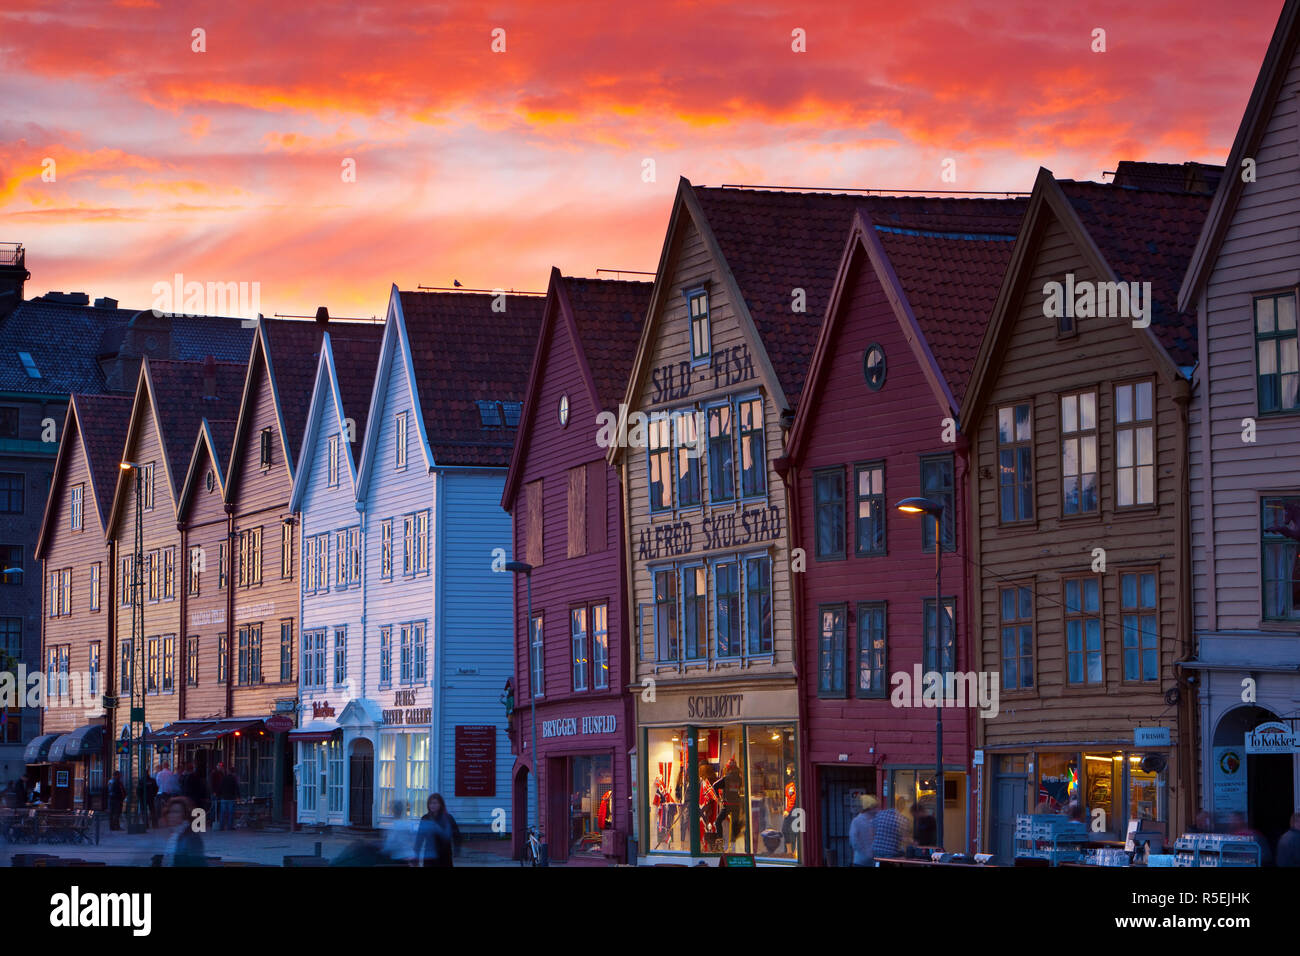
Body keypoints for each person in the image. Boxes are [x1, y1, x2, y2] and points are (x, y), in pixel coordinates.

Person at [415, 793, 461, 867]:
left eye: (435, 803)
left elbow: (456, 835)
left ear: (440, 804)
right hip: (429, 855)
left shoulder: (447, 818)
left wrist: (457, 849)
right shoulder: (425, 818)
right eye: (430, 803)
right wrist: (416, 853)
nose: (432, 805)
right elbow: (419, 837)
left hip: (444, 854)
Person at [161, 796, 207, 867]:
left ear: (185, 814)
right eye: (170, 812)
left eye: (176, 812)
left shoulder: (191, 837)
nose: (171, 815)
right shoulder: (174, 835)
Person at [870, 798, 906, 863]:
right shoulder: (903, 820)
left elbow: (872, 829)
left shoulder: (880, 814)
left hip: (876, 851)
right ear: (903, 806)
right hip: (891, 853)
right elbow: (904, 839)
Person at [849, 794, 878, 866]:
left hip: (868, 860)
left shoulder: (873, 821)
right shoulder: (857, 821)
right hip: (862, 861)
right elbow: (854, 841)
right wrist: (866, 852)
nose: (876, 810)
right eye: (874, 807)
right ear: (868, 808)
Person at [219, 766, 240, 831]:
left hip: (224, 797)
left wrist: (220, 794)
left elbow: (220, 787)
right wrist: (239, 796)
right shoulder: (234, 779)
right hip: (231, 798)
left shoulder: (223, 778)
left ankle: (221, 826)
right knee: (231, 813)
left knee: (223, 813)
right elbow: (236, 788)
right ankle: (229, 826)